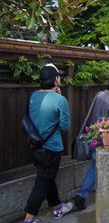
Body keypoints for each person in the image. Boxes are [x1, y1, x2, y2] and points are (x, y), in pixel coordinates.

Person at [74, 69, 109, 211]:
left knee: (95, 168)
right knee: (104, 169)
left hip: (93, 138)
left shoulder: (99, 95)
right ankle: (108, 199)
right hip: (106, 143)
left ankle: (82, 194)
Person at [24, 64, 72, 223]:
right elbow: (65, 126)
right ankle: (29, 219)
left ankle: (57, 207)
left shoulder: (33, 96)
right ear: (55, 79)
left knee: (47, 177)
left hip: (35, 146)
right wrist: (59, 100)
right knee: (43, 181)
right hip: (52, 148)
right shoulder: (60, 100)